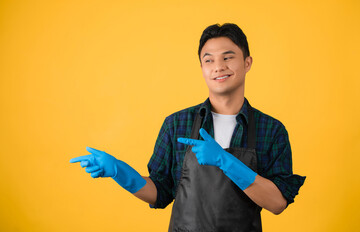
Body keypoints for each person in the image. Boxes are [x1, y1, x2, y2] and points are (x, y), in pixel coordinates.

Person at [70, 23, 306, 232]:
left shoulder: (271, 130)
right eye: (209, 59)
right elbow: (160, 192)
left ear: (247, 63)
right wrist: (119, 172)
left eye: (228, 57)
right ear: (201, 68)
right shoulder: (177, 124)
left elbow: (277, 203)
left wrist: (225, 160)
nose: (218, 66)